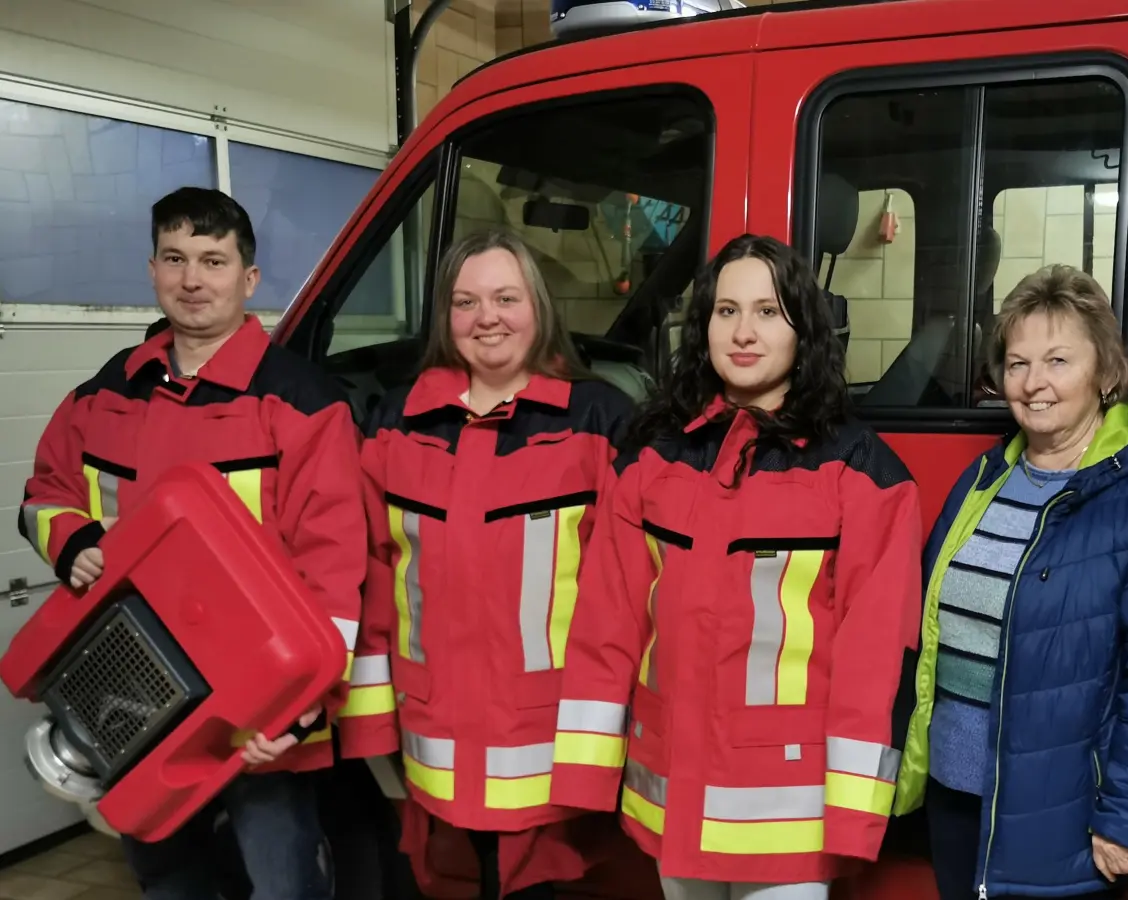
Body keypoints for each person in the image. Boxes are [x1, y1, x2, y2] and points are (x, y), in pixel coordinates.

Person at [548, 234, 923, 900]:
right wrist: (585, 775)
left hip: (788, 814)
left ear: (803, 329)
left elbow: (874, 659)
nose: (744, 332)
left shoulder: (862, 474)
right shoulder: (651, 459)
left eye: (768, 312)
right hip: (673, 792)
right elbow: (606, 625)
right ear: (702, 328)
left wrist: (856, 813)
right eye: (726, 312)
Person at [18, 187, 366, 900]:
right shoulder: (105, 393)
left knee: (283, 882)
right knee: (165, 877)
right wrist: (71, 537)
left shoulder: (301, 403)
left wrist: (302, 708)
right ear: (152, 270)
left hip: (255, 709)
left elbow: (336, 566)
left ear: (249, 279)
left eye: (213, 260)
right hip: (129, 688)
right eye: (175, 259)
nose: (192, 280)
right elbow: (42, 494)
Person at [890, 265, 1128, 899]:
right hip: (958, 796)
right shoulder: (986, 480)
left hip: (1069, 813)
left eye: (1058, 360)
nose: (1034, 383)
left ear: (1106, 372)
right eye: (1016, 363)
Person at [338, 227, 634, 899]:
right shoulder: (396, 424)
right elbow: (371, 577)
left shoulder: (600, 421)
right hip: (431, 726)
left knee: (538, 881)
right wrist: (370, 720)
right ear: (445, 317)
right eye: (466, 302)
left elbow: (623, 593)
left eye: (506, 297)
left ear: (539, 308)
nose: (487, 318)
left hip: (550, 728)